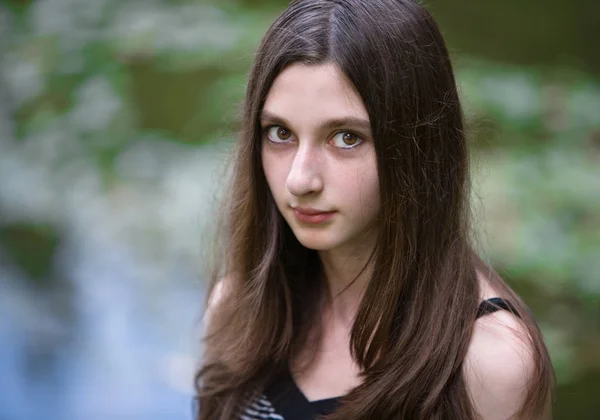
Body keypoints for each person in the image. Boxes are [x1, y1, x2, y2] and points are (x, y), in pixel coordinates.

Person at [194, 0, 554, 419]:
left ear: (419, 149)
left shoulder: (488, 363)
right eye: (280, 133)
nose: (299, 180)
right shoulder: (237, 312)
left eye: (346, 138)